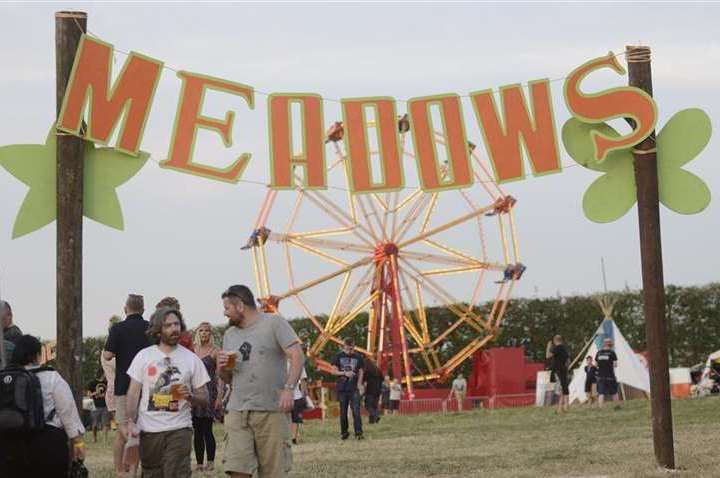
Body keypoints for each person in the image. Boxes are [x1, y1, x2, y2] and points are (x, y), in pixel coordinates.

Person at [217, 284, 304, 478]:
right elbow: (228, 379)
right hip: (238, 410)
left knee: (273, 471)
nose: (224, 313)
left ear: (240, 306)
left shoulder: (274, 323)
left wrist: (289, 389)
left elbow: (297, 355)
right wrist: (221, 367)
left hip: (270, 411)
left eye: (227, 308)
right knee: (237, 468)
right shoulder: (230, 335)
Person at [124, 307, 210, 478]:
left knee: (176, 473)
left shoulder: (191, 359)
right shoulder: (143, 356)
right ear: (158, 330)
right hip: (149, 431)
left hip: (179, 429)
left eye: (177, 324)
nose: (174, 329)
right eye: (168, 325)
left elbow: (205, 397)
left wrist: (191, 396)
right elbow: (133, 393)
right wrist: (130, 422)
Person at [0, 335, 85, 477]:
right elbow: (67, 412)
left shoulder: (4, 379)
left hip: (9, 445)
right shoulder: (51, 377)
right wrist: (78, 443)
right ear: (37, 356)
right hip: (48, 443)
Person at [103, 294, 150, 476]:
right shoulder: (149, 328)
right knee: (142, 428)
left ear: (125, 309)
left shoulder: (117, 328)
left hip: (124, 385)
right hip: (146, 385)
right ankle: (135, 469)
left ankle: (120, 471)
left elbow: (107, 355)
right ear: (143, 309)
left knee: (122, 429)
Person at [192, 321, 223, 472]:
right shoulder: (192, 349)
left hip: (210, 392)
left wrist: (220, 396)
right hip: (194, 392)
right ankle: (198, 463)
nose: (204, 333)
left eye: (207, 331)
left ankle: (210, 462)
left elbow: (221, 376)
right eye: (202, 330)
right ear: (198, 332)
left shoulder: (215, 351)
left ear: (210, 333)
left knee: (207, 429)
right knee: (196, 430)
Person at [331, 338, 365, 440]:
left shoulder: (358, 357)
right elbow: (333, 371)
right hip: (342, 388)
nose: (350, 350)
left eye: (352, 348)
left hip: (354, 388)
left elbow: (361, 371)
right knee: (343, 412)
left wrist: (359, 384)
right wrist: (344, 373)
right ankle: (344, 432)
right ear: (344, 346)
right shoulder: (338, 357)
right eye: (348, 348)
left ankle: (358, 433)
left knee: (356, 411)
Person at [87, 367, 111, 443]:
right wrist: (96, 393)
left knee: (105, 423)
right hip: (95, 406)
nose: (106, 374)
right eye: (105, 373)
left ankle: (105, 439)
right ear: (102, 373)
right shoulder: (92, 383)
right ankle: (94, 438)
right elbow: (89, 395)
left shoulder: (107, 383)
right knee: (94, 424)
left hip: (105, 406)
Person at [546, 335, 570, 413]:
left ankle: (560, 408)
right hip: (564, 371)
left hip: (557, 371)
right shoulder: (564, 348)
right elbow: (568, 360)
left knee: (559, 390)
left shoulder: (557, 348)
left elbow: (548, 356)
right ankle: (564, 407)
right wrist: (566, 368)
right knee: (564, 388)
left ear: (554, 340)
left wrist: (548, 346)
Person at [595, 338, 620, 408]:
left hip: (600, 376)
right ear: (610, 344)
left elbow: (596, 365)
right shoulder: (612, 353)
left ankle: (601, 408)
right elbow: (615, 365)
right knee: (614, 392)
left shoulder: (598, 353)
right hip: (610, 376)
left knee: (601, 392)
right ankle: (617, 406)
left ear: (604, 344)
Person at [290, 359, 309, 444]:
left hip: (289, 396)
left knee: (291, 419)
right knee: (295, 419)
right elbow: (303, 380)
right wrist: (305, 395)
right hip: (296, 396)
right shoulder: (299, 363)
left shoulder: (278, 362)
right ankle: (293, 438)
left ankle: (292, 438)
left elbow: (303, 380)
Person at [363, 359, 383, 424]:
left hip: (370, 390)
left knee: (368, 405)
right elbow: (382, 379)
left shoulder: (367, 371)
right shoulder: (378, 370)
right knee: (374, 405)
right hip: (378, 390)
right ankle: (371, 421)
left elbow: (363, 379)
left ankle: (376, 415)